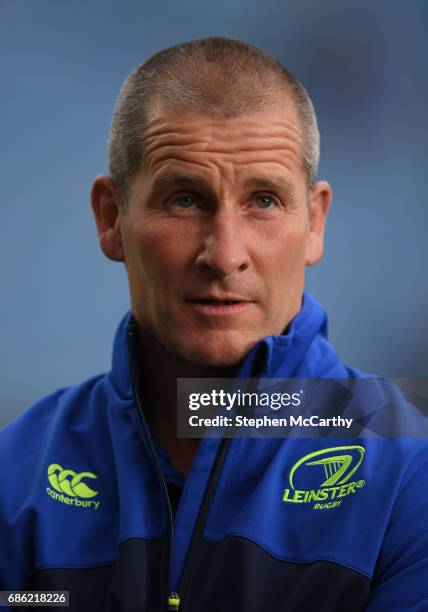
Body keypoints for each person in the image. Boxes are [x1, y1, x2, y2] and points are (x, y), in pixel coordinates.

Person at [0, 37, 427, 612]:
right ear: (111, 218)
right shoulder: (14, 469)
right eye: (184, 199)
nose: (225, 255)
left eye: (265, 201)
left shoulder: (412, 468)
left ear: (316, 221)